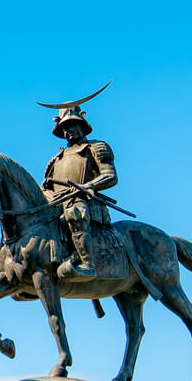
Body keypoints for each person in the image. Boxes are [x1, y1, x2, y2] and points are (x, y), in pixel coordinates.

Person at [41, 102, 118, 279]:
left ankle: (87, 262)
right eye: (64, 128)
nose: (68, 131)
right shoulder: (56, 158)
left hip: (85, 202)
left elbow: (110, 176)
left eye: (71, 126)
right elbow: (47, 186)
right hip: (58, 202)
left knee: (74, 212)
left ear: (82, 125)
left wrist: (88, 186)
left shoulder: (97, 147)